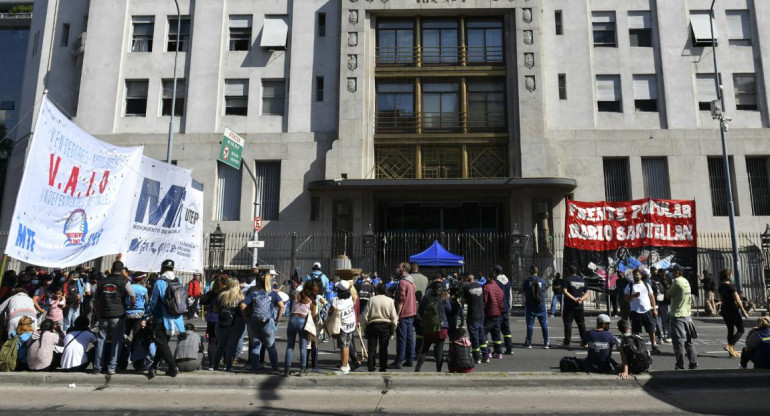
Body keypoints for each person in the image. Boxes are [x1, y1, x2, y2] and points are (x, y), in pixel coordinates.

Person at [93, 260, 136, 375]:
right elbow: (132, 295)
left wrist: (98, 313)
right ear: (122, 270)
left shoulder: (102, 282)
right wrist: (129, 307)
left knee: (101, 340)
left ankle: (97, 367)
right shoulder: (124, 281)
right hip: (118, 315)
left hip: (103, 315)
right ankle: (112, 367)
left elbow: (95, 300)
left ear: (111, 269)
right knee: (116, 342)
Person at [146, 259, 185, 379]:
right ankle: (153, 368)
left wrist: (146, 314)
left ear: (162, 268)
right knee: (163, 344)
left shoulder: (159, 282)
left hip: (161, 318)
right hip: (175, 318)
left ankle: (173, 367)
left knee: (161, 343)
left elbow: (153, 301)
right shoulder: (178, 281)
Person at [241, 272, 284, 373]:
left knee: (255, 346)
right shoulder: (273, 294)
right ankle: (275, 368)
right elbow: (282, 306)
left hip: (253, 322)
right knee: (271, 346)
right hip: (268, 322)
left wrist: (246, 318)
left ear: (258, 283)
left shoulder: (253, 294)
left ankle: (255, 368)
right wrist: (277, 320)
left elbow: (242, 306)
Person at [415, 275, 451, 372]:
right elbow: (449, 309)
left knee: (424, 349)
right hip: (442, 326)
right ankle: (438, 370)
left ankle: (417, 369)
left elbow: (420, 311)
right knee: (439, 350)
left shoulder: (426, 298)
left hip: (429, 326)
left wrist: (425, 320)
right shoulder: (443, 297)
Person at [666, 265, 698, 370]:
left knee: (678, 342)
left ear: (679, 272)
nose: (672, 274)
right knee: (689, 342)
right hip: (687, 316)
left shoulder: (677, 282)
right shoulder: (685, 281)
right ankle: (693, 364)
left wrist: (668, 285)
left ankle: (680, 365)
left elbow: (668, 295)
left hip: (678, 315)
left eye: (674, 272)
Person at [284, 279, 318, 376]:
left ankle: (286, 369)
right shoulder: (312, 301)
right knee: (303, 347)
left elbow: (295, 291)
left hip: (292, 320)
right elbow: (313, 317)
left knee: (290, 346)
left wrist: (301, 285)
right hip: (303, 322)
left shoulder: (297, 295)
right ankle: (303, 369)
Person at [210, 277, 245, 372]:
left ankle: (215, 366)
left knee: (221, 345)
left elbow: (215, 310)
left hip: (222, 321)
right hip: (237, 321)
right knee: (232, 345)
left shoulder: (222, 295)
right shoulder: (241, 296)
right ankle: (228, 366)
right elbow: (244, 309)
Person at [362, 283, 398, 372]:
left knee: (371, 348)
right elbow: (394, 317)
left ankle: (371, 366)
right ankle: (383, 366)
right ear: (385, 291)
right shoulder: (390, 301)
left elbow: (365, 316)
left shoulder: (371, 300)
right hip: (385, 325)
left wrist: (364, 328)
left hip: (372, 325)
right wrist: (393, 329)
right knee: (383, 348)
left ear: (377, 290)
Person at [624, 269, 660, 354]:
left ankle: (654, 345)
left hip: (647, 310)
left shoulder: (646, 285)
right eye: (634, 275)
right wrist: (633, 295)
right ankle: (638, 347)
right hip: (635, 311)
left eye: (637, 274)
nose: (635, 276)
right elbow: (625, 297)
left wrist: (654, 309)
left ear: (641, 275)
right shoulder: (630, 285)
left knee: (651, 330)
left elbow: (652, 297)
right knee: (636, 331)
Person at [717, 269, 750, 358]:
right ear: (728, 276)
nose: (732, 277)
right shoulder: (731, 287)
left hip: (725, 310)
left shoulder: (720, 287)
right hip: (733, 309)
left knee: (730, 329)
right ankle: (730, 345)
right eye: (731, 275)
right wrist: (744, 311)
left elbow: (721, 300)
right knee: (741, 330)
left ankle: (731, 351)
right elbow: (738, 300)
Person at [392, 262, 417, 369]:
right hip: (411, 312)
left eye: (399, 267)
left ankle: (399, 360)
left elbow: (401, 300)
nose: (397, 269)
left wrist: (397, 314)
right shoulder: (411, 282)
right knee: (410, 337)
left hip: (404, 313)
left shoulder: (402, 282)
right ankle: (410, 359)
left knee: (401, 338)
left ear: (403, 269)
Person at [330, 280, 357, 374]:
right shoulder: (350, 299)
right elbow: (354, 294)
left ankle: (344, 367)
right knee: (347, 345)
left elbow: (330, 312)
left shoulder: (335, 301)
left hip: (343, 327)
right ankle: (346, 364)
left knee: (343, 347)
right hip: (351, 325)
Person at [201, 273, 227, 366]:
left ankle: (212, 364)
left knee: (212, 341)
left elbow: (202, 301)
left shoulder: (211, 293)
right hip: (225, 319)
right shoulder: (227, 294)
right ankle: (226, 364)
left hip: (212, 318)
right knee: (225, 341)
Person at [523, 266, 550, 349]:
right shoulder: (542, 280)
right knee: (544, 324)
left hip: (530, 305)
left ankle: (529, 343)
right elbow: (546, 287)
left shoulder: (527, 281)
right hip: (540, 304)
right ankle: (546, 343)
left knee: (530, 325)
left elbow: (524, 290)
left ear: (530, 271)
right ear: (537, 271)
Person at [562, 265, 589, 347]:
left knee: (568, 324)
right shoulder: (582, 280)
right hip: (579, 306)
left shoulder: (566, 280)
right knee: (581, 324)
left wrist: (574, 299)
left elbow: (565, 291)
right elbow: (587, 292)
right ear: (576, 271)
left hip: (569, 306)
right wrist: (581, 299)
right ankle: (584, 342)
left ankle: (567, 341)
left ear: (569, 271)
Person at [482, 270, 504, 361]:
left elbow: (484, 301)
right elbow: (501, 301)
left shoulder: (486, 287)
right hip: (498, 313)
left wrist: (482, 310)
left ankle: (487, 351)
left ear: (490, 277)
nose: (485, 278)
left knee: (483, 332)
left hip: (489, 313)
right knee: (496, 333)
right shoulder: (498, 287)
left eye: (487, 277)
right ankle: (499, 352)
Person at [463, 273, 485, 363]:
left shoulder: (467, 288)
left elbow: (465, 300)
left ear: (467, 279)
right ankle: (485, 355)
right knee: (482, 334)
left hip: (472, 313)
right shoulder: (479, 286)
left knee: (474, 335)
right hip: (481, 313)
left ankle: (477, 357)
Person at [492, 265, 514, 354]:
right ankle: (509, 348)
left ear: (495, 272)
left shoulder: (496, 282)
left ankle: (497, 350)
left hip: (498, 309)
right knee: (507, 330)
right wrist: (509, 306)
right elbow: (510, 295)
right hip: (506, 308)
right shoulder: (508, 281)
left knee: (496, 329)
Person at [125, 273, 148, 343]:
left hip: (128, 312)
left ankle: (123, 348)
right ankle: (134, 350)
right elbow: (147, 301)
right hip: (139, 314)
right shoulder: (143, 289)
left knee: (126, 333)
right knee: (136, 334)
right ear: (141, 279)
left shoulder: (128, 287)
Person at [653, 269, 671, 343]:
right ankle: (665, 335)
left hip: (664, 303)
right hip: (664, 303)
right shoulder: (664, 281)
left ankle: (666, 335)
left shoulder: (663, 281)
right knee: (663, 320)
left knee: (664, 320)